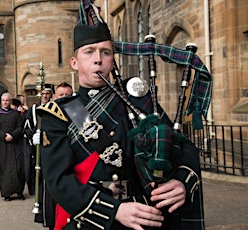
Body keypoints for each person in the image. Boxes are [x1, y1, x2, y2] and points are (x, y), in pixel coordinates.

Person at [36, 5, 203, 230]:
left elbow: (183, 147)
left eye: (105, 52)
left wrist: (181, 181)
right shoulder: (60, 113)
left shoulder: (135, 100)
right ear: (74, 63)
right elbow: (59, 181)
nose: (98, 59)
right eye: (89, 52)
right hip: (90, 219)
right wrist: (113, 210)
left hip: (143, 212)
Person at [33, 82, 73, 229]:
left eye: (67, 95)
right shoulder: (47, 113)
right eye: (61, 95)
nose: (63, 98)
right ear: (55, 97)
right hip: (52, 166)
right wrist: (37, 139)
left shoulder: (79, 112)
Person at [0, 93, 26, 201]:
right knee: (3, 169)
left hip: (15, 144)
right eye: (3, 100)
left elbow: (20, 127)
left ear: (10, 101)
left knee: (18, 167)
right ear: (1, 101)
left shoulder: (16, 114)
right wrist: (4, 136)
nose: (5, 102)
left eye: (7, 100)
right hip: (2, 145)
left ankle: (19, 192)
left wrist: (13, 136)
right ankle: (7, 193)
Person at [23, 84, 54, 197]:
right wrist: (32, 137)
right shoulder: (32, 110)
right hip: (36, 146)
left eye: (47, 93)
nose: (45, 96)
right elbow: (26, 127)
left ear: (51, 95)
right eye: (43, 94)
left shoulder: (55, 107)